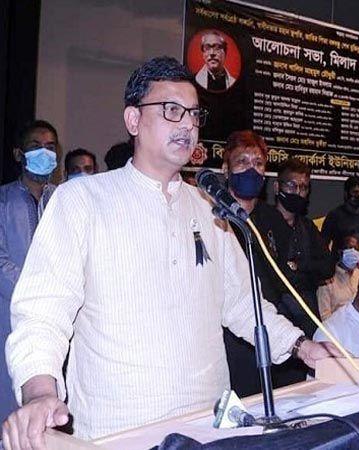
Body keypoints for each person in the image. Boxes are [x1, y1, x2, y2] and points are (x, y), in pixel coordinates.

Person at [2, 57, 339, 445]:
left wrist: (302, 346)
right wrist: (40, 392)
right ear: (133, 120)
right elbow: (42, 311)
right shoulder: (82, 200)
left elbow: (243, 303)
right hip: (119, 430)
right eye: (171, 110)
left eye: (194, 114)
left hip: (208, 426)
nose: (187, 125)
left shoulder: (208, 208)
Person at [219, 129, 294, 397]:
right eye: (242, 162)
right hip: (231, 338)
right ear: (226, 169)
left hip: (269, 332)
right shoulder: (214, 217)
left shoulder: (273, 220)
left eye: (258, 163)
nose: (251, 169)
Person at [0, 120, 59, 420]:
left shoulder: (64, 201)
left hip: (57, 319)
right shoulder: (2, 200)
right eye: (36, 146)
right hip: (8, 316)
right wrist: (36, 291)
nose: (44, 153)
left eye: (50, 147)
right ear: (18, 154)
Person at [274, 157, 336, 337]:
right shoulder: (264, 222)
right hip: (277, 317)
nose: (298, 192)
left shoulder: (307, 227)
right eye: (292, 186)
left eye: (303, 187)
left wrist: (300, 265)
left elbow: (327, 267)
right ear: (277, 187)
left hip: (307, 315)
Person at [321, 175, 359, 255]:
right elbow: (323, 244)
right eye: (355, 192)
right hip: (340, 261)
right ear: (346, 194)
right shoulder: (334, 216)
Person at [317, 234, 359, 320]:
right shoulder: (327, 281)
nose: (353, 252)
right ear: (340, 252)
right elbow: (325, 317)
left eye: (356, 249)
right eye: (349, 248)